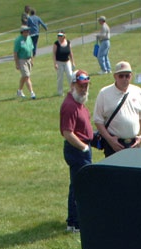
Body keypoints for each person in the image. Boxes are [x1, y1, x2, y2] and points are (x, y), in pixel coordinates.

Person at [60, 69, 93, 233]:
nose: (84, 89)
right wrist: (83, 147)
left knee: (82, 185)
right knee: (78, 186)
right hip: (77, 151)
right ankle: (74, 223)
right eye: (81, 86)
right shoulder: (69, 105)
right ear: (73, 85)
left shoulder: (79, 102)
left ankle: (78, 219)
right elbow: (67, 132)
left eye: (86, 86)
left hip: (83, 148)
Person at [92, 61, 141, 156]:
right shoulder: (104, 93)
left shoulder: (138, 92)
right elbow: (98, 120)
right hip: (114, 144)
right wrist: (109, 139)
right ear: (115, 76)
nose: (124, 79)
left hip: (134, 143)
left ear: (131, 76)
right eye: (121, 76)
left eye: (127, 76)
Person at [14, 26, 36, 99]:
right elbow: (15, 53)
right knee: (27, 76)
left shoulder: (29, 38)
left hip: (28, 59)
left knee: (24, 76)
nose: (27, 32)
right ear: (22, 32)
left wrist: (32, 60)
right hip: (22, 60)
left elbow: (31, 49)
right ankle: (32, 93)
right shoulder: (18, 40)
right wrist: (16, 63)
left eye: (28, 31)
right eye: (26, 31)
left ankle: (19, 91)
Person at [52, 31, 74, 96]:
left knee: (70, 75)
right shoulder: (56, 43)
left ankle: (72, 90)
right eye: (58, 36)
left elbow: (70, 53)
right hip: (59, 62)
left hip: (67, 61)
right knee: (60, 77)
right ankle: (60, 92)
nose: (59, 37)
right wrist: (55, 63)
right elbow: (54, 54)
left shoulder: (68, 42)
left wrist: (73, 62)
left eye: (60, 36)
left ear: (64, 36)